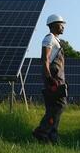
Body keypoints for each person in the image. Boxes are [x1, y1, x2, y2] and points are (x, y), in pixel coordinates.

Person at [32, 14, 68, 144]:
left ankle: (51, 135)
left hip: (57, 77)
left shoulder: (57, 40)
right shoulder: (49, 38)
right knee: (59, 105)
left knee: (54, 107)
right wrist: (49, 77)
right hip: (53, 78)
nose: (63, 26)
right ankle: (41, 132)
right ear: (53, 25)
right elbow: (45, 58)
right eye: (60, 24)